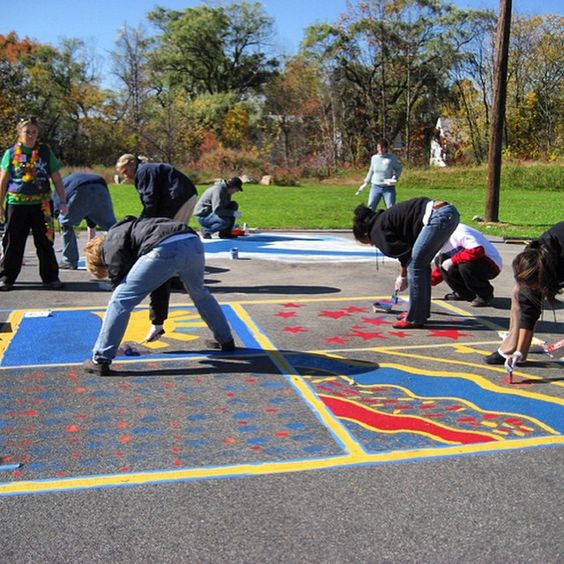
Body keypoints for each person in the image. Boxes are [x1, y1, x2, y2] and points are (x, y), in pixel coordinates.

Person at [82, 215, 236, 375]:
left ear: (100, 261)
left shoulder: (111, 245)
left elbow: (122, 289)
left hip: (164, 247)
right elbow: (160, 280)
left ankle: (100, 359)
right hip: (192, 241)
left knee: (119, 301)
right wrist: (158, 322)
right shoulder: (127, 230)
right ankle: (225, 340)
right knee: (200, 294)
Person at [353, 198, 459, 329]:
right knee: (421, 264)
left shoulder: (377, 232)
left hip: (439, 217)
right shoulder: (382, 220)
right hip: (447, 213)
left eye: (370, 242)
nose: (373, 244)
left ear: (365, 233)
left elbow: (406, 255)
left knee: (416, 265)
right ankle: (419, 313)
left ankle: (415, 318)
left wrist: (403, 277)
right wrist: (403, 275)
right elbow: (408, 252)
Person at [484, 221, 564, 370]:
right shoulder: (533, 254)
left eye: (536, 287)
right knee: (518, 293)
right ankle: (513, 349)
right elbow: (529, 307)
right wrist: (520, 351)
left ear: (545, 278)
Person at [0, 117, 67, 291]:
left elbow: (57, 178)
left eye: (34, 132)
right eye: (27, 132)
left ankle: (50, 278)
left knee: (45, 241)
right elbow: (3, 180)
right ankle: (6, 278)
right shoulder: (11, 153)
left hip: (42, 204)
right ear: (19, 133)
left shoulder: (45, 151)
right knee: (13, 241)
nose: (30, 135)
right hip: (17, 203)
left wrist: (63, 201)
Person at [54, 172, 117, 269]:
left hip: (80, 189)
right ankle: (121, 257)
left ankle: (69, 261)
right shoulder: (68, 182)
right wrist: (89, 246)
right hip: (100, 187)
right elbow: (91, 218)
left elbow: (60, 215)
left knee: (66, 225)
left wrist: (64, 221)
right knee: (113, 228)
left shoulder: (55, 195)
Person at [431, 223, 503, 307]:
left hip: (491, 264)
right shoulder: (441, 239)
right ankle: (465, 293)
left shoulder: (460, 231)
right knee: (440, 260)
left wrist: (453, 260)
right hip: (472, 261)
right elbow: (442, 267)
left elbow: (477, 251)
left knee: (466, 266)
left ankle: (485, 294)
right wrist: (427, 282)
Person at [115, 154, 198, 223]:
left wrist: (143, 220)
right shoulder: (146, 169)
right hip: (185, 195)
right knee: (170, 230)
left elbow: (150, 199)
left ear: (132, 164)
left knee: (171, 231)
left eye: (125, 171)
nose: (125, 176)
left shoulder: (143, 171)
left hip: (179, 197)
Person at [356, 138, 402, 210]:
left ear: (385, 148)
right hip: (375, 187)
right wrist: (366, 182)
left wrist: (395, 177)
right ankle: (371, 221)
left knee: (391, 208)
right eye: (378, 147)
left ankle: (390, 221)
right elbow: (371, 171)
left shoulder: (392, 158)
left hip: (388, 188)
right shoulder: (374, 158)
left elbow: (399, 168)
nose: (379, 149)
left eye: (381, 147)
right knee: (371, 207)